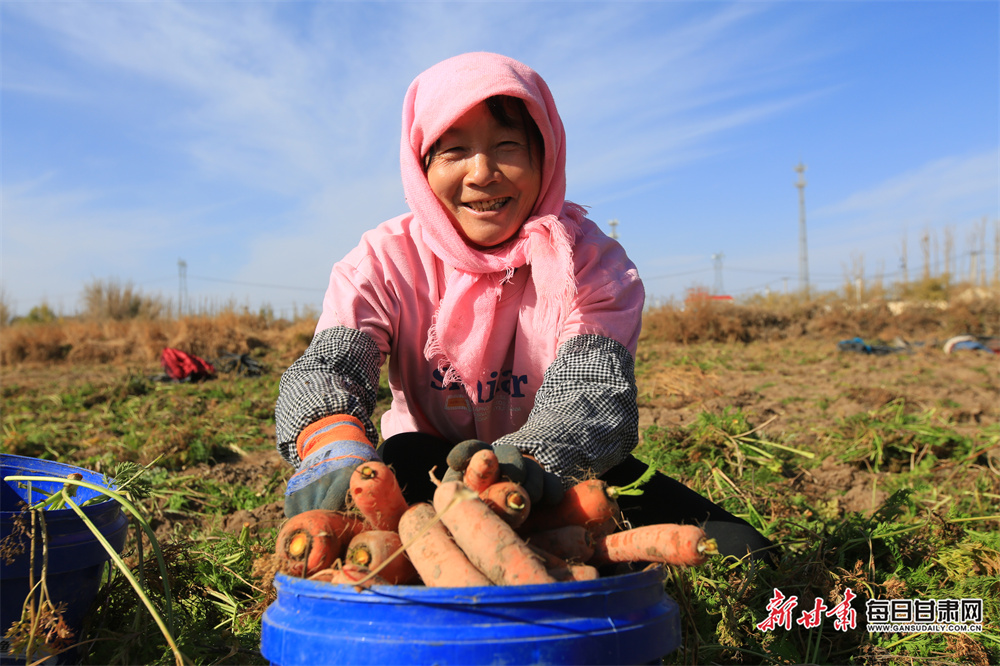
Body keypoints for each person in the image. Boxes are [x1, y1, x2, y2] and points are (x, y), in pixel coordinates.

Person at [275, 52, 775, 564]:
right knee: (403, 460)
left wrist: (519, 470)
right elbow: (329, 367)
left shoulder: (590, 263)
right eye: (453, 152)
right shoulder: (385, 261)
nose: (482, 173)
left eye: (507, 147)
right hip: (419, 476)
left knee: (745, 552)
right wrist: (329, 443)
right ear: (422, 166)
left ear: (545, 155)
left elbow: (593, 393)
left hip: (559, 473)